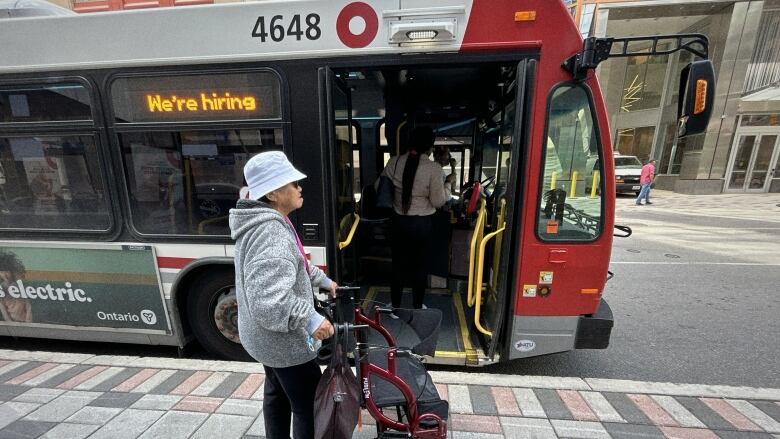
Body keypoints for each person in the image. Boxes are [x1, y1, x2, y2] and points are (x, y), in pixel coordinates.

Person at [229, 151, 337, 439]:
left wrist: (323, 280)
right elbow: (269, 301)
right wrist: (313, 320)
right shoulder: (271, 233)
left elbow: (297, 261)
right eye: (293, 183)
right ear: (274, 193)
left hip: (264, 339)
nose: (300, 187)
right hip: (284, 344)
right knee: (309, 405)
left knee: (276, 393)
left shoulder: (262, 221)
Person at [379, 127, 451, 312]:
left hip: (398, 222)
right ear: (430, 147)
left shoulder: (394, 162)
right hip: (422, 224)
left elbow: (379, 185)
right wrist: (448, 186)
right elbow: (438, 201)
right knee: (420, 266)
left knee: (398, 265)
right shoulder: (433, 169)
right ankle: (417, 306)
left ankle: (395, 307)